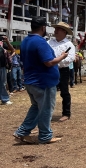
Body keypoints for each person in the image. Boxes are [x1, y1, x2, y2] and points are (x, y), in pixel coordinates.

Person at [13, 16, 68, 144]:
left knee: (36, 107)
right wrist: (62, 56)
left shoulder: (26, 41)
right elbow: (49, 62)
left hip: (31, 80)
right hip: (43, 82)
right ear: (43, 28)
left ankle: (22, 131)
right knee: (46, 109)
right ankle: (45, 135)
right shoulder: (40, 42)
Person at [48, 22, 75, 122]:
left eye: (58, 29)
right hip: (50, 69)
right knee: (49, 92)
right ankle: (47, 113)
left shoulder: (69, 44)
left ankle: (66, 113)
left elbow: (71, 58)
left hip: (62, 70)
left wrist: (56, 61)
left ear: (64, 31)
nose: (55, 30)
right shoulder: (49, 42)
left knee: (64, 92)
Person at [0, 37, 15, 104]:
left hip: (2, 66)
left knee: (3, 83)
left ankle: (5, 99)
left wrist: (7, 41)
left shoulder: (1, 41)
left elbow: (12, 50)